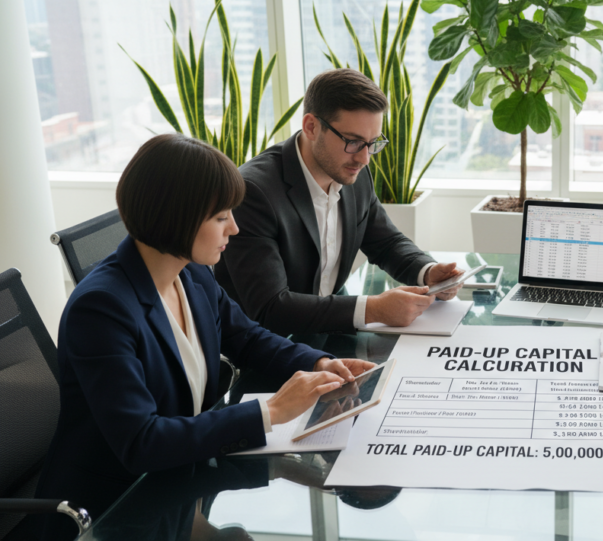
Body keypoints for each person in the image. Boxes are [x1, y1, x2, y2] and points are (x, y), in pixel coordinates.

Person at [33, 134, 374, 540]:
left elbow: (247, 338)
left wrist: (316, 363)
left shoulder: (191, 274)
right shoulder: (101, 310)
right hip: (112, 512)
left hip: (182, 487)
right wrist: (272, 412)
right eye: (220, 217)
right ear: (177, 219)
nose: (235, 226)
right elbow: (142, 442)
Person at [215, 68, 463, 337]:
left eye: (372, 143)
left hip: (327, 334)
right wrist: (373, 309)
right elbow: (270, 308)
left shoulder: (353, 171)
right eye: (354, 142)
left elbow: (386, 242)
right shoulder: (254, 192)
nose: (365, 158)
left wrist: (427, 272)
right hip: (265, 348)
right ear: (311, 126)